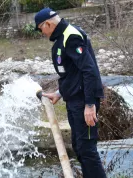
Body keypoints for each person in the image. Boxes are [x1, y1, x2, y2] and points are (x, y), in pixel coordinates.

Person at [34, 8, 106, 178]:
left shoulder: (71, 36)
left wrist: (89, 105)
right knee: (79, 147)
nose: (41, 32)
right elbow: (73, 73)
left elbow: (89, 71)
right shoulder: (62, 37)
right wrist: (59, 93)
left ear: (48, 24)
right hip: (75, 101)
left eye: (40, 28)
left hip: (84, 102)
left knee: (87, 150)